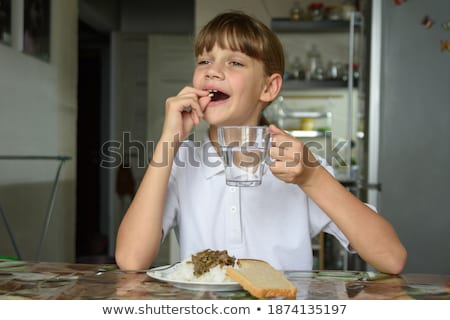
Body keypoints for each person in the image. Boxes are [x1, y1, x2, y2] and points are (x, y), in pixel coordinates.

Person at [115, 11, 407, 274]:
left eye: (235, 62)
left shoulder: (299, 166)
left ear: (268, 87)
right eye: (204, 60)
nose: (211, 70)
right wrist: (169, 141)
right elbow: (131, 259)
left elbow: (391, 258)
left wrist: (314, 177)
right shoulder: (182, 162)